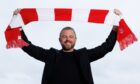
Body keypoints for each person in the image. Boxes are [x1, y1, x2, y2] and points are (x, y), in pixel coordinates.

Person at [14, 9, 122, 84]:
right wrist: (18, 26)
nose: (68, 39)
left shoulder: (84, 55)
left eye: (71, 36)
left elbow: (106, 47)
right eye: (64, 36)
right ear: (60, 39)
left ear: (75, 39)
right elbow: (28, 47)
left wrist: (115, 28)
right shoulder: (51, 55)